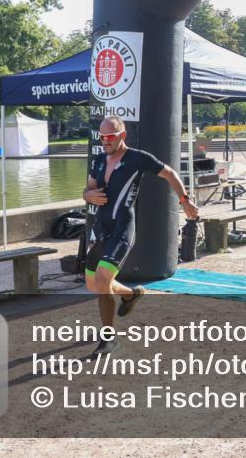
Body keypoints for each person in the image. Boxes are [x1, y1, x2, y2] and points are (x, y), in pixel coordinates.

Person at [82, 115, 200, 359]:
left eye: (110, 137)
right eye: (102, 137)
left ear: (122, 136)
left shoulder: (137, 158)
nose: (105, 141)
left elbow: (170, 174)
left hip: (123, 227)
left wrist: (185, 201)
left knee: (103, 281)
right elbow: (89, 188)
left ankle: (108, 339)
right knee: (93, 283)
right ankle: (130, 294)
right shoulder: (99, 160)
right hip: (101, 227)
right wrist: (88, 196)